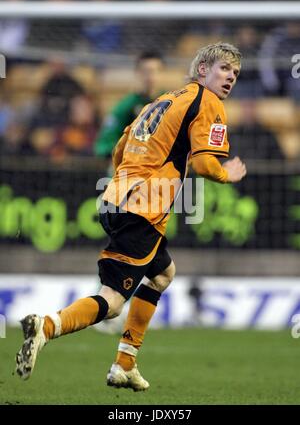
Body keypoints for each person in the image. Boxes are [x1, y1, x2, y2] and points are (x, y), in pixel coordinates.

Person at [15, 42, 246, 391]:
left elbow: (120, 146)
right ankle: (46, 326)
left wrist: (132, 180)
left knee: (163, 274)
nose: (230, 77)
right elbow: (203, 163)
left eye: (235, 73)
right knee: (111, 302)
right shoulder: (207, 103)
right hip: (142, 209)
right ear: (203, 70)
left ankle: (125, 364)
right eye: (224, 69)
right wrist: (227, 173)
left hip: (115, 198)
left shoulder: (165, 99)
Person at [94, 51, 165, 160]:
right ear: (137, 73)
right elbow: (105, 142)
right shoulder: (126, 106)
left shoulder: (173, 103)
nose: (150, 77)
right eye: (145, 71)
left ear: (163, 72)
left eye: (155, 71)